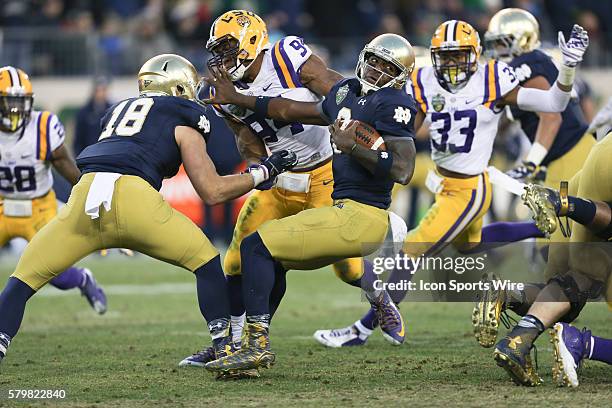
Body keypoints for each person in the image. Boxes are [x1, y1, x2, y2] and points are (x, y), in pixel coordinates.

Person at [0, 54, 298, 366]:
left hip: (84, 197)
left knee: (21, 280)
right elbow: (212, 191)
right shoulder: (184, 115)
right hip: (134, 198)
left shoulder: (117, 110)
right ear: (180, 89)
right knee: (206, 261)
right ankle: (224, 349)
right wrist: (264, 171)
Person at [311, 19, 589, 348]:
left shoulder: (493, 77)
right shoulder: (424, 80)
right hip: (447, 182)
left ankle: (362, 329)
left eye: (459, 55)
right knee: (469, 246)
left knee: (411, 250)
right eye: (446, 55)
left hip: (470, 186)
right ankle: (537, 228)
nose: (452, 63)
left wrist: (567, 68)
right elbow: (404, 130)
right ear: (434, 55)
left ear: (475, 55)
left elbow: (554, 104)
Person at [201, 33, 418, 376]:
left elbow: (404, 169)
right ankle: (237, 345)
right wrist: (240, 98)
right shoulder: (347, 93)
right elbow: (288, 109)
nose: (376, 71)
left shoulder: (394, 103)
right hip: (314, 194)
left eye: (386, 66)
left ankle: (258, 347)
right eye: (373, 61)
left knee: (271, 251)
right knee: (254, 259)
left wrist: (353, 146)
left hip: (352, 205)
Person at [179, 9, 364, 367]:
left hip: (324, 174)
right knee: (234, 260)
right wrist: (259, 169)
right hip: (280, 180)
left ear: (252, 41)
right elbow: (247, 140)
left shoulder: (285, 55)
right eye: (217, 49)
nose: (222, 56)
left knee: (349, 268)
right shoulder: (223, 91)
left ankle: (380, 299)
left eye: (229, 46)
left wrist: (352, 117)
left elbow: (334, 100)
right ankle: (231, 345)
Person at [493, 130, 612, 386]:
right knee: (585, 276)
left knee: (564, 289)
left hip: (591, 165)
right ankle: (579, 344)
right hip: (593, 189)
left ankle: (509, 301)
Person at [0, 66, 106, 314]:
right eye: (9, 102)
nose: (16, 109)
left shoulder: (42, 126)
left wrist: (89, 194)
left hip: (39, 206)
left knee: (54, 273)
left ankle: (82, 279)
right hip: (3, 204)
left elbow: (64, 165)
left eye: (21, 102)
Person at [73, 76, 113, 157]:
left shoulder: (113, 111)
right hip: (88, 157)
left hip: (107, 157)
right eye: (98, 90)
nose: (101, 93)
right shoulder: (83, 113)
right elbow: (78, 140)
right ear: (93, 91)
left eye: (104, 90)